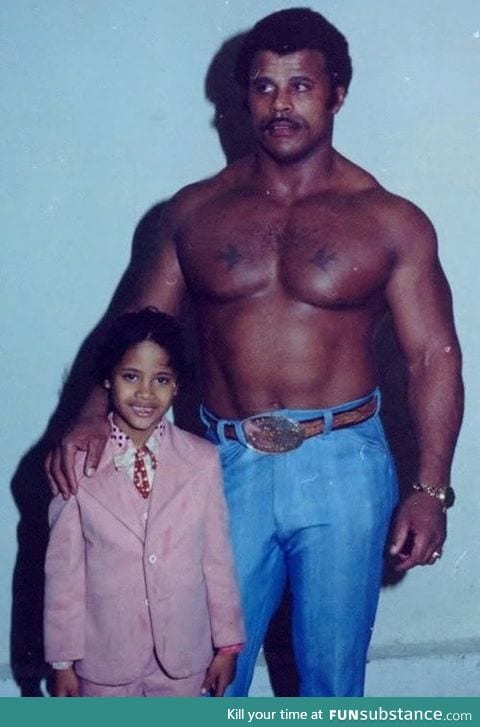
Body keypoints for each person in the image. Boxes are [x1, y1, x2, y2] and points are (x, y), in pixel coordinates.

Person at [46, 8, 463, 697]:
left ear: (338, 94)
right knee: (203, 674)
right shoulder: (196, 212)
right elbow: (134, 324)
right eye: (264, 87)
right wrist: (89, 415)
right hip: (222, 465)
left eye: (301, 85)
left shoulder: (390, 220)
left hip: (345, 467)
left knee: (331, 685)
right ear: (244, 98)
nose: (281, 104)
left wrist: (430, 488)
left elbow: (432, 357)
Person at [44, 308, 244, 697]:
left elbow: (217, 560)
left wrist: (228, 644)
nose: (146, 393)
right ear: (107, 380)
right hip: (103, 662)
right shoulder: (76, 464)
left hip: (184, 659)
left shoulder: (202, 460)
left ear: (178, 386)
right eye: (131, 376)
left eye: (162, 380)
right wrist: (63, 662)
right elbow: (64, 572)